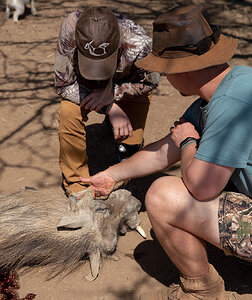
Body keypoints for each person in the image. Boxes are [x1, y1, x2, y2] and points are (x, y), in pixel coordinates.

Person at [81, 5, 252, 300]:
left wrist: (188, 143)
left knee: (163, 196)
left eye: (167, 70)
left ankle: (202, 292)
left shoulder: (232, 103)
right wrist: (111, 175)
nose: (168, 80)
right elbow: (163, 151)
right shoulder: (231, 86)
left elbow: (201, 187)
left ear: (185, 68)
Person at [54, 6, 159, 197]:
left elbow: (152, 81)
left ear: (120, 44)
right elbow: (63, 84)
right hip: (83, 85)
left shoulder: (141, 43)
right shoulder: (70, 28)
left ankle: (118, 177)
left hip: (126, 86)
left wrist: (114, 92)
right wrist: (110, 107)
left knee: (129, 147)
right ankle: (77, 188)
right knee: (68, 113)